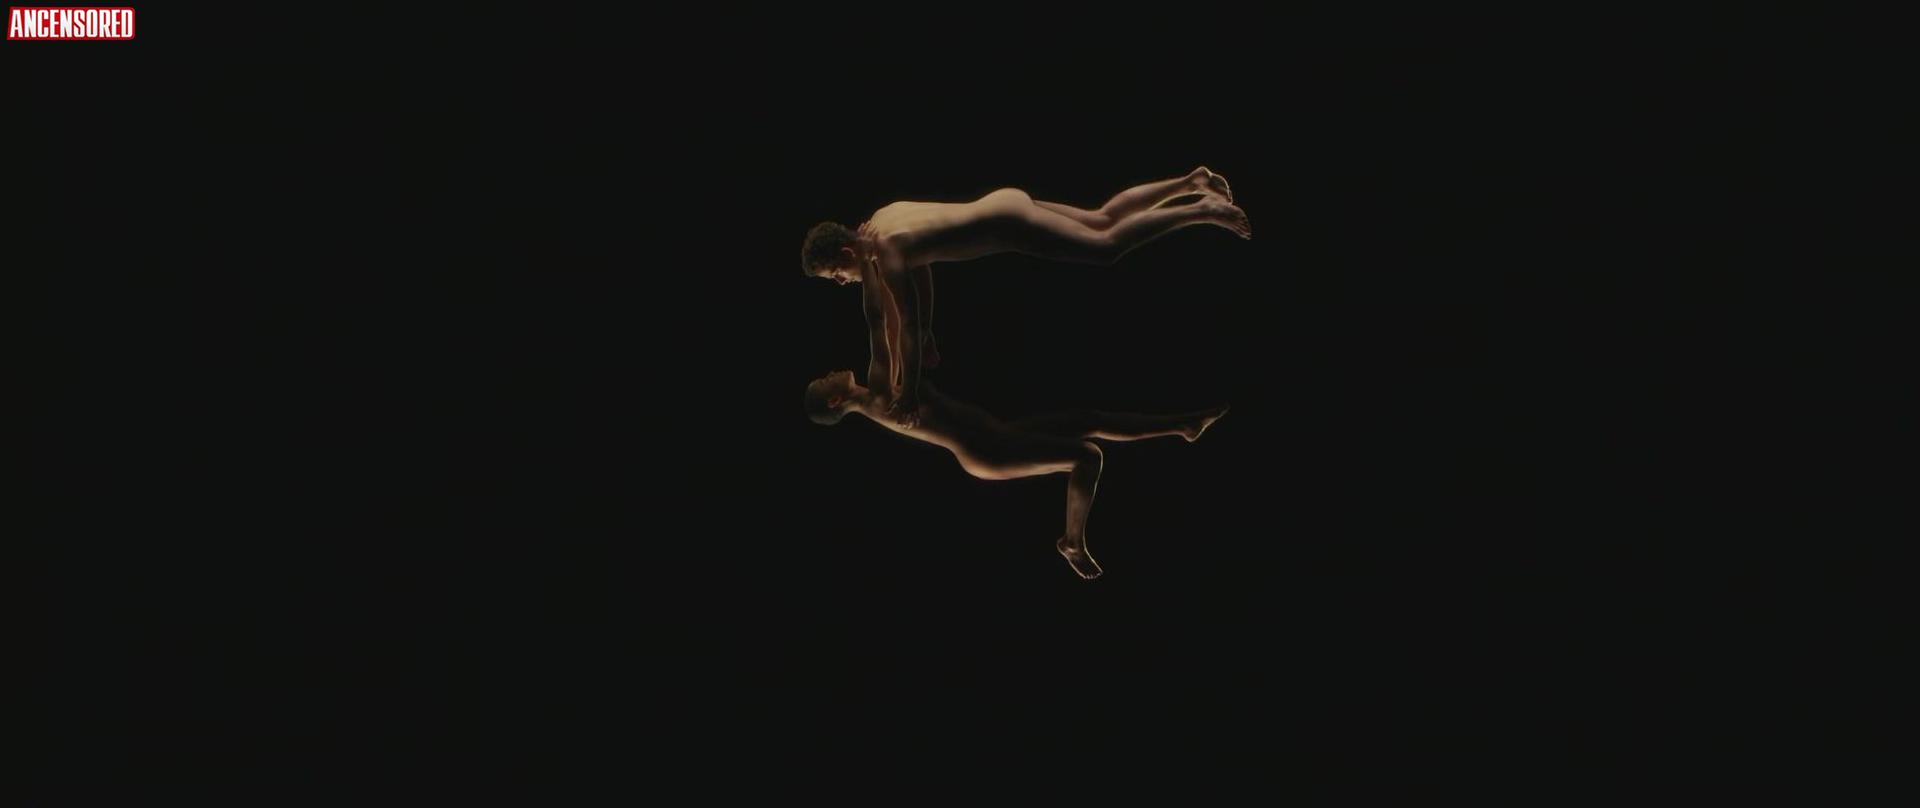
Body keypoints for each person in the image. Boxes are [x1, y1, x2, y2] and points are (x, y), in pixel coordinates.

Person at [800, 167, 1249, 427]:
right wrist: (930, 335)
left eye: (837, 274)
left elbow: (906, 325)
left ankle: (1201, 210)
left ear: (846, 253)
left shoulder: (887, 252)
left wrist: (911, 394)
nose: (842, 281)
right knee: (1101, 219)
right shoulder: (885, 218)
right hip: (1003, 203)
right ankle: (1192, 181)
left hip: (1007, 226)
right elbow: (923, 271)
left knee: (1106, 247)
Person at [803, 369, 1227, 580]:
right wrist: (871, 263)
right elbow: (879, 318)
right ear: (836, 400)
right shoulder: (878, 399)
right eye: (825, 380)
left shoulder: (884, 387)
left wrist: (883, 268)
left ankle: (1183, 425)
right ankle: (1072, 541)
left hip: (997, 435)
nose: (830, 371)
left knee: (1089, 418)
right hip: (987, 452)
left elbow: (893, 323)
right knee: (1087, 457)